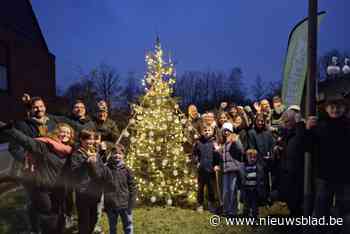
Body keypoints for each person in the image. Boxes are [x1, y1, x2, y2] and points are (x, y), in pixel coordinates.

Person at [0, 122, 75, 234]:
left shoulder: (71, 151)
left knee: (59, 214)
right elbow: (25, 140)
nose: (65, 134)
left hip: (59, 189)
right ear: (56, 132)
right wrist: (9, 129)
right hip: (42, 188)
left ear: (71, 136)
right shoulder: (45, 145)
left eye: (68, 133)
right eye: (62, 131)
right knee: (48, 215)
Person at [306, 95, 350, 234]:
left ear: (344, 108)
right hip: (324, 175)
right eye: (332, 106)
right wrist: (307, 129)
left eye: (339, 106)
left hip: (345, 176)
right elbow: (308, 147)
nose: (335, 109)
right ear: (326, 108)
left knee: (345, 208)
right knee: (321, 207)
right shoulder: (320, 125)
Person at [69, 129, 106, 234]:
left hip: (95, 191)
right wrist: (86, 162)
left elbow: (100, 169)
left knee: (94, 218)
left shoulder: (95, 152)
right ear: (81, 139)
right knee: (84, 219)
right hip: (83, 191)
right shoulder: (77, 154)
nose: (90, 142)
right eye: (87, 139)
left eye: (91, 139)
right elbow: (74, 171)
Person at [103, 144, 137, 234]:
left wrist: (132, 202)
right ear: (111, 154)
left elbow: (132, 187)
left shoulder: (127, 170)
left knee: (128, 225)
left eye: (119, 153)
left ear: (123, 155)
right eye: (115, 153)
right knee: (112, 227)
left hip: (125, 204)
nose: (117, 155)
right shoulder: (107, 169)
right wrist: (105, 203)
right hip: (111, 204)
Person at [277, 108, 306, 217]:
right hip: (287, 169)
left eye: (288, 121)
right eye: (285, 121)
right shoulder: (287, 132)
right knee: (290, 197)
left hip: (297, 170)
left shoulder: (299, 130)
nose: (286, 124)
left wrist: (300, 124)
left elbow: (300, 140)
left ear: (295, 120)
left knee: (297, 198)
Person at [217, 122, 243, 217]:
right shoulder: (223, 143)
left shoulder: (234, 139)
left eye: (228, 130)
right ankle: (226, 209)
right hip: (225, 170)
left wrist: (236, 141)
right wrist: (218, 151)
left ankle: (233, 210)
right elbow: (223, 157)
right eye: (224, 130)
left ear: (231, 131)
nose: (226, 132)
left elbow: (241, 150)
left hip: (233, 169)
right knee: (226, 191)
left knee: (233, 190)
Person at [192, 124, 220, 213]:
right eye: (205, 131)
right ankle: (200, 204)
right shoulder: (198, 142)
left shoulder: (214, 143)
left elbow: (217, 156)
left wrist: (216, 165)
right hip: (201, 169)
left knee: (211, 188)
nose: (207, 132)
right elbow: (195, 154)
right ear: (202, 132)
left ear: (212, 132)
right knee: (200, 188)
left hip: (210, 169)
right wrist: (197, 162)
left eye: (209, 131)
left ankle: (211, 203)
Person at [241, 149, 265, 218]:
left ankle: (255, 215)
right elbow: (243, 178)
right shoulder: (245, 167)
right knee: (246, 204)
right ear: (247, 158)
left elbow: (260, 179)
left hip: (255, 189)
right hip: (247, 189)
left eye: (254, 157)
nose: (252, 159)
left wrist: (260, 187)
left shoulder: (258, 167)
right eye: (250, 157)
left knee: (254, 204)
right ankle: (246, 215)